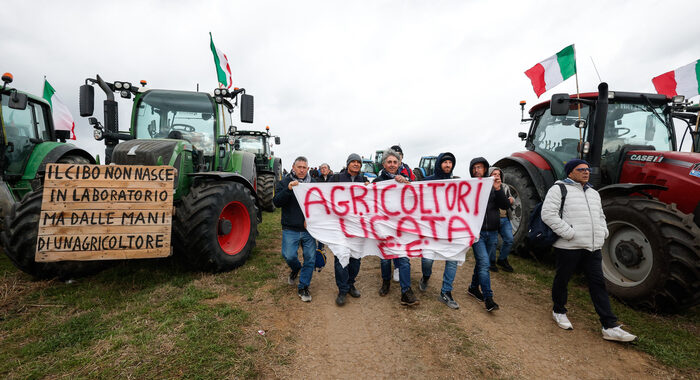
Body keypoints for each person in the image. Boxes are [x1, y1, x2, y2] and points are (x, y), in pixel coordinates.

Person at [542, 159, 637, 342]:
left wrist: (603, 232)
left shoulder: (594, 193)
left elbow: (601, 215)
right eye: (581, 169)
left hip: (593, 247)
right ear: (570, 173)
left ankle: (609, 326)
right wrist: (569, 233)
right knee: (562, 279)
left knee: (598, 284)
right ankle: (559, 311)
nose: (586, 172)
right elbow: (548, 214)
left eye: (587, 169)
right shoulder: (558, 189)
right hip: (568, 246)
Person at [373, 148, 418, 306]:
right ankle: (386, 283)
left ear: (399, 163)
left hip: (401, 227)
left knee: (403, 257)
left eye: (395, 162)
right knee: (385, 258)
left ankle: (406, 291)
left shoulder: (406, 180)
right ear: (384, 164)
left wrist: (406, 183)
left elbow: (415, 198)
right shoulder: (377, 183)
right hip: (384, 226)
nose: (392, 165)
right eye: (389, 162)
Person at [418, 152, 460, 309]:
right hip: (430, 228)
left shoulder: (456, 184)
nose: (448, 165)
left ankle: (446, 292)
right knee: (427, 259)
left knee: (453, 258)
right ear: (439, 164)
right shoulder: (427, 181)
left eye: (450, 162)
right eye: (445, 162)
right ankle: (426, 276)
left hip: (450, 229)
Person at [467, 157, 509, 312]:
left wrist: (498, 189)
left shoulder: (494, 187)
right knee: (485, 263)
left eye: (481, 167)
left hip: (492, 232)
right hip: (477, 234)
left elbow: (505, 206)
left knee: (481, 263)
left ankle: (473, 287)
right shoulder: (469, 188)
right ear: (471, 170)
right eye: (475, 167)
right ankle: (488, 298)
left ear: (485, 170)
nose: (477, 170)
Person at [273, 156, 316, 302]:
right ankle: (296, 268)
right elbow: (276, 202)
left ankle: (303, 286)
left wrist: (310, 220)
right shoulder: (284, 182)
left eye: (305, 167)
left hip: (308, 229)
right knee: (289, 255)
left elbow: (319, 205)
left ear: (308, 169)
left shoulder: (314, 184)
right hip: (290, 228)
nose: (302, 170)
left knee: (310, 258)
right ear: (293, 167)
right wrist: (289, 190)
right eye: (299, 167)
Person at [330, 154, 369, 306]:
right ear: (347, 164)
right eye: (353, 162)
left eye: (358, 162)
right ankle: (342, 289)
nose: (356, 164)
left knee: (355, 259)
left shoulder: (364, 181)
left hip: (358, 227)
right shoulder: (337, 178)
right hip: (340, 226)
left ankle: (351, 283)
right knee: (341, 257)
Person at [487, 167, 515, 273]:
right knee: (493, 242)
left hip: (504, 218)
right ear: (489, 175)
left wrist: (511, 200)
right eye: (494, 174)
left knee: (509, 239)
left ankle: (502, 259)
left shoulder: (505, 186)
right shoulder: (487, 187)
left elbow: (510, 197)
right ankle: (491, 262)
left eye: (498, 174)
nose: (497, 176)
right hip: (493, 218)